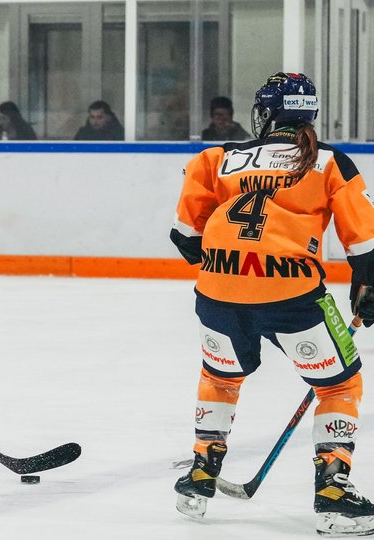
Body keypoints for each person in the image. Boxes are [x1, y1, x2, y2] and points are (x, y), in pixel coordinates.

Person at [170, 72, 374, 536]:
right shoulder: (327, 162)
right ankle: (334, 494)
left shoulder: (217, 158)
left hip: (218, 291)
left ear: (265, 114)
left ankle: (200, 476)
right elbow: (365, 245)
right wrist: (368, 286)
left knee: (220, 377)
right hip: (293, 297)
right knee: (340, 385)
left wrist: (231, 265)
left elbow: (185, 237)